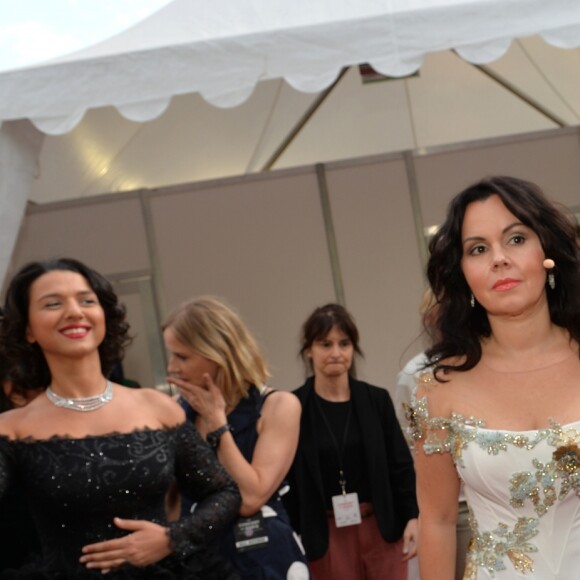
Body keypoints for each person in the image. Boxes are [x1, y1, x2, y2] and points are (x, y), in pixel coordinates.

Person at [0, 258, 241, 579]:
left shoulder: (158, 408)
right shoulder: (13, 429)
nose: (74, 311)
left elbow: (225, 493)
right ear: (28, 329)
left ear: (103, 315)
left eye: (87, 300)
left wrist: (172, 538)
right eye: (53, 303)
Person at [408, 176, 580, 579]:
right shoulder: (438, 388)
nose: (499, 258)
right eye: (478, 249)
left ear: (547, 252)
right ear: (463, 273)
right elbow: (437, 520)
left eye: (516, 239)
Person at [163, 296, 309, 579]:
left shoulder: (278, 406)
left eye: (182, 356)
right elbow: (168, 502)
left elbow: (250, 498)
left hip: (264, 560)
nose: (172, 367)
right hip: (195, 561)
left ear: (218, 354)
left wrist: (219, 425)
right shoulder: (174, 412)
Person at [284, 303, 419, 580]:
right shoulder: (293, 406)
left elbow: (400, 465)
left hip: (380, 526)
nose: (336, 353)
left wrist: (413, 517)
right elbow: (286, 478)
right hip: (325, 532)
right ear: (309, 350)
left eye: (344, 344)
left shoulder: (375, 400)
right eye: (325, 344)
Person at [395, 289, 469, 580]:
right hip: (456, 505)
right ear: (430, 320)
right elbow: (411, 439)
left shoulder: (488, 362)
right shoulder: (415, 374)